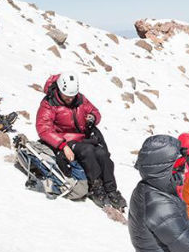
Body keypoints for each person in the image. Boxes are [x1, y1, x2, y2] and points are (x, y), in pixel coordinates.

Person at [36, 72, 125, 210]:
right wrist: (62, 145)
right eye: (67, 96)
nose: (70, 99)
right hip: (64, 140)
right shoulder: (49, 103)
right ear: (59, 90)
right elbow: (43, 128)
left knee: (102, 153)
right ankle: (96, 187)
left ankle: (111, 189)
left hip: (83, 138)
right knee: (87, 151)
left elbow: (95, 111)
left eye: (72, 96)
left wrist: (93, 118)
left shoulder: (80, 99)